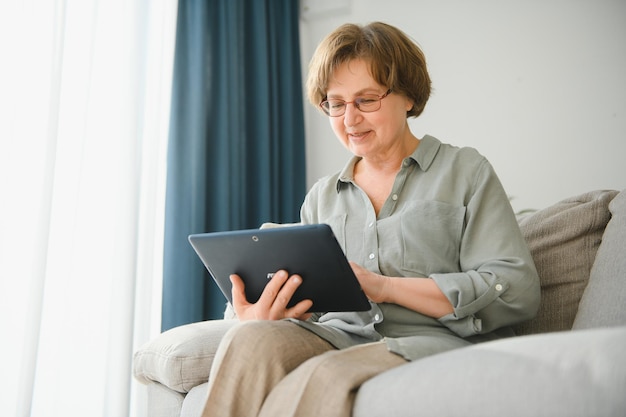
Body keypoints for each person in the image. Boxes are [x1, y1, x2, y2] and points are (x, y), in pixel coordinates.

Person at [201, 21, 540, 417]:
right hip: (336, 337)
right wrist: (260, 313)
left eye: (367, 100)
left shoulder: (465, 171)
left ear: (408, 97)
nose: (350, 119)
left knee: (324, 374)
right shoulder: (322, 196)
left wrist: (386, 287)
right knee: (249, 341)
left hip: (428, 343)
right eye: (336, 103)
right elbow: (310, 305)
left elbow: (516, 289)